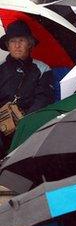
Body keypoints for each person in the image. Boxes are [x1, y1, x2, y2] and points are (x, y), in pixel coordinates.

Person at [0, 21, 53, 152]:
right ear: (7, 45)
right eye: (13, 41)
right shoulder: (1, 67)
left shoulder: (43, 69)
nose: (17, 45)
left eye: (21, 40)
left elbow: (43, 99)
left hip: (29, 128)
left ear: (29, 43)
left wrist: (24, 123)